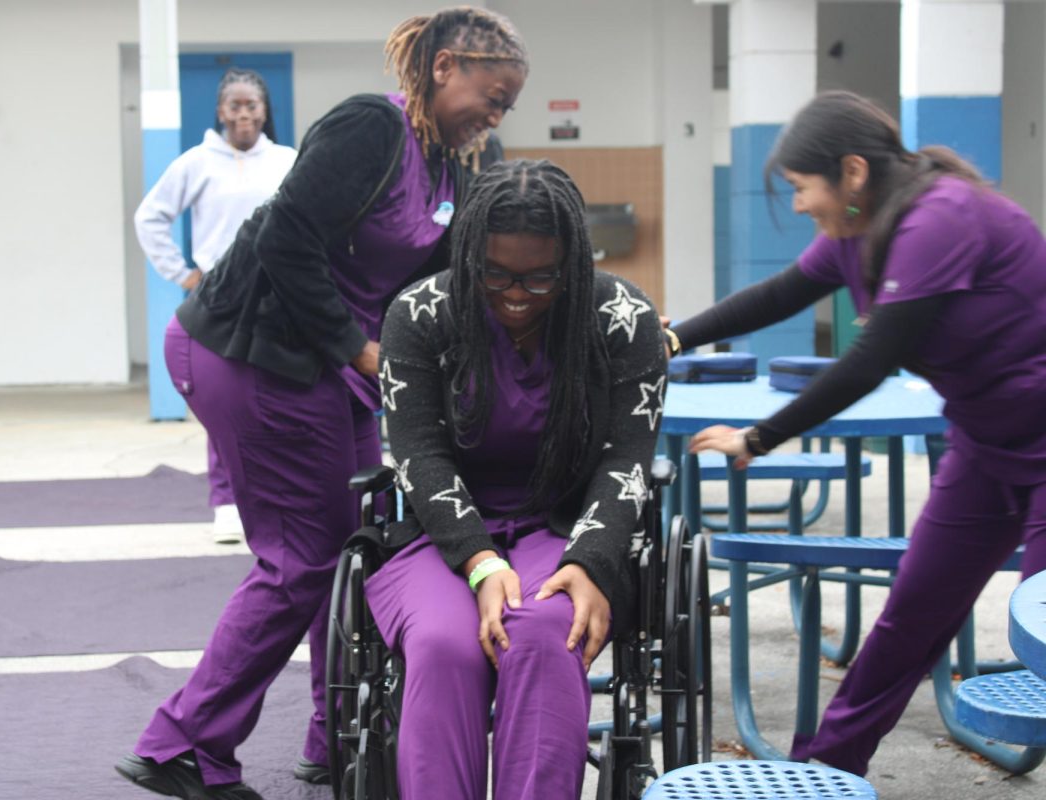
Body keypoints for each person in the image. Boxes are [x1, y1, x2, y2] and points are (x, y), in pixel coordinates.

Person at [115, 8, 529, 800]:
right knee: (303, 556)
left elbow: (439, 288)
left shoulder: (451, 171)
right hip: (252, 351)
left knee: (361, 546)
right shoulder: (370, 129)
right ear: (445, 68)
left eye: (507, 104)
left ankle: (333, 734)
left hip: (328, 368)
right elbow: (286, 241)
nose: (496, 112)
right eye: (491, 92)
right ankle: (184, 743)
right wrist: (359, 349)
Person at [671, 90, 1046, 776]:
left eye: (800, 187)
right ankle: (824, 773)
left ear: (850, 173)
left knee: (1042, 634)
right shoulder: (857, 232)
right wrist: (670, 338)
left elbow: (872, 358)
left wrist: (758, 438)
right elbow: (776, 295)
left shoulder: (942, 216)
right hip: (986, 446)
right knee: (910, 619)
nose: (797, 205)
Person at [367, 159, 667, 800]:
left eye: (541, 277)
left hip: (567, 528)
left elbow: (626, 460)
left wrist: (590, 564)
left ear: (576, 263)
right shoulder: (420, 314)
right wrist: (478, 562)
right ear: (468, 253)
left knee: (544, 634)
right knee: (446, 645)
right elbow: (417, 453)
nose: (516, 294)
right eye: (495, 273)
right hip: (443, 535)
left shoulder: (621, 316)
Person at [134, 68, 297, 545]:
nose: (244, 114)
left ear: (265, 110)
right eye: (235, 105)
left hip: (279, 297)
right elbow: (151, 216)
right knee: (223, 400)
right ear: (221, 112)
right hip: (218, 300)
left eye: (252, 105)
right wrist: (183, 273)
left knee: (278, 397)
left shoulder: (288, 161)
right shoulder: (196, 162)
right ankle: (227, 503)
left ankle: (276, 498)